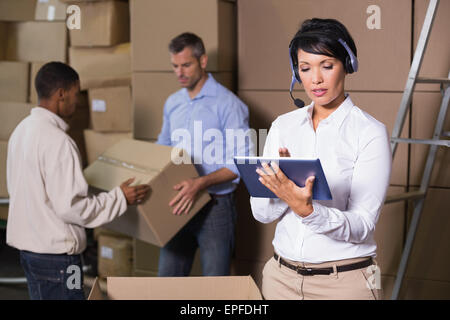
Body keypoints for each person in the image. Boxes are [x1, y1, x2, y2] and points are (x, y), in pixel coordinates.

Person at [250, 18, 392, 300]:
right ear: (296, 72)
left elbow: (362, 225)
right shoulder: (283, 126)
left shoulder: (370, 132)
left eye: (327, 66)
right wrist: (281, 189)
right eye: (305, 69)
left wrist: (308, 210)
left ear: (347, 65)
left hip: (344, 283)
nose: (315, 79)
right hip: (281, 279)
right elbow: (262, 214)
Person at [6, 62, 150, 300]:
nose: (78, 101)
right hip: (60, 261)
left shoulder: (20, 132)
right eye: (75, 93)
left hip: (30, 254)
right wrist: (120, 198)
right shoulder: (59, 142)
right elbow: (72, 208)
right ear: (61, 94)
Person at [156, 32, 253, 276]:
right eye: (175, 66)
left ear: (203, 61)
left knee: (214, 288)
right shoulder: (172, 103)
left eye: (186, 65)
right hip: (177, 202)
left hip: (215, 207)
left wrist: (200, 183)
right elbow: (163, 146)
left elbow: (240, 163)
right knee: (166, 284)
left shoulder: (228, 104)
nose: (180, 72)